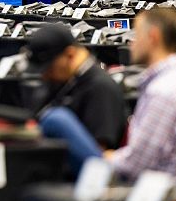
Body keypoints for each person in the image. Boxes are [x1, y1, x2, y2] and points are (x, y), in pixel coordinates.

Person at [36, 8, 176, 180]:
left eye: (137, 35)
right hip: (149, 179)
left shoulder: (164, 91)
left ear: (153, 37)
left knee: (56, 120)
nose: (131, 43)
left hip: (137, 186)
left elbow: (136, 166)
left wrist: (106, 157)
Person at [25, 23, 127, 151]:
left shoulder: (101, 88)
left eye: (49, 68)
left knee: (56, 119)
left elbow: (99, 152)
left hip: (84, 161)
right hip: (48, 155)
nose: (45, 76)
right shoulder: (63, 81)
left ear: (70, 55)